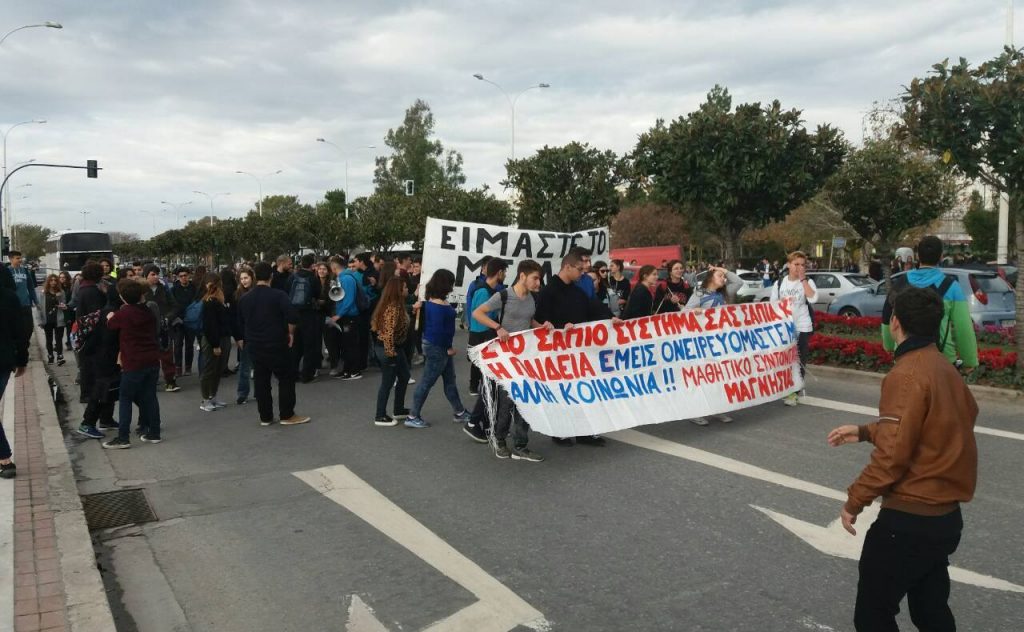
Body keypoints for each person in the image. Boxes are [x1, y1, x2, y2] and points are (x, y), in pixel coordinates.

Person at [827, 287, 978, 632]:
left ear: (894, 322)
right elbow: (928, 432)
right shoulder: (944, 368)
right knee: (930, 610)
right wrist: (866, 431)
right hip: (944, 520)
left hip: (909, 522)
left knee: (873, 615)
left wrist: (854, 501)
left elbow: (893, 456)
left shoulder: (906, 374)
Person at [534, 250, 615, 446]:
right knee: (562, 392)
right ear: (567, 267)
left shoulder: (577, 290)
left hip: (579, 351)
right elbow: (538, 323)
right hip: (557, 352)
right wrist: (558, 329)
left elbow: (593, 307)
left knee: (582, 391)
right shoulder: (548, 291)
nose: (583, 272)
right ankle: (559, 431)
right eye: (580, 269)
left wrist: (610, 318)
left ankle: (583, 432)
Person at [471, 259, 548, 462]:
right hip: (506, 359)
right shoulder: (504, 296)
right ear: (522, 276)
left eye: (539, 279)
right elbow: (477, 313)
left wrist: (541, 326)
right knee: (506, 403)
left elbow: (528, 320)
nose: (538, 283)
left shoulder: (532, 298)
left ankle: (521, 445)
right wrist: (497, 327)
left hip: (526, 358)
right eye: (535, 278)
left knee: (526, 401)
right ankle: (500, 440)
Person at [881, 236, 978, 372]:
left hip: (904, 357)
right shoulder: (952, 287)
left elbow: (887, 317)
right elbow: (964, 328)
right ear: (941, 257)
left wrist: (890, 346)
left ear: (917, 256)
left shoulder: (900, 284)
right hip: (941, 360)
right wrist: (969, 361)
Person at [237, 262, 309, 426]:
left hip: (254, 344)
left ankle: (265, 416)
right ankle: (287, 414)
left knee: (261, 381)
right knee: (285, 379)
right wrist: (290, 333)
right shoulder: (279, 295)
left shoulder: (245, 298)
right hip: (276, 342)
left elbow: (239, 322)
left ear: (255, 277)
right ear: (271, 276)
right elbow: (293, 317)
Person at [405, 269, 471, 429]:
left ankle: (459, 411)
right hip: (438, 347)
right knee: (428, 382)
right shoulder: (438, 306)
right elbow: (441, 331)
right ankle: (413, 415)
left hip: (435, 345)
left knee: (449, 381)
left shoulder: (430, 302)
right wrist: (448, 348)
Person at [103, 278, 163, 449]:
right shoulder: (148, 311)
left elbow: (111, 325)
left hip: (133, 361)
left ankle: (123, 437)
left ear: (122, 297)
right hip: (151, 359)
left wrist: (110, 316)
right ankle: (154, 432)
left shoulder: (124, 314)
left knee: (125, 397)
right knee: (150, 395)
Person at [685, 265, 745, 426]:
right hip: (702, 343)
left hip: (720, 342)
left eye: (724, 277)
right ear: (711, 278)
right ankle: (697, 411)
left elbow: (738, 281)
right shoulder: (699, 294)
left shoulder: (723, 293)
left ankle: (718, 408)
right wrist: (694, 311)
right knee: (703, 377)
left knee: (719, 376)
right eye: (720, 276)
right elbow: (684, 313)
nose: (724, 279)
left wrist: (723, 269)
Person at [75, 262, 121, 439]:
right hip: (101, 349)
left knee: (107, 386)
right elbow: (102, 324)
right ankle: (89, 422)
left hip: (96, 347)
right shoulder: (94, 294)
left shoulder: (84, 289)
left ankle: (105, 418)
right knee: (104, 385)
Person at [769, 252, 818, 407]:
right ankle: (785, 386)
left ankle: (794, 392)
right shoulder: (779, 283)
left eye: (803, 265)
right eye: (796, 264)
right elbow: (772, 304)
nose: (800, 267)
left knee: (799, 359)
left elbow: (813, 298)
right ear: (789, 264)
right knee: (784, 358)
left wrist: (803, 280)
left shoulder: (808, 282)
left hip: (802, 325)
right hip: (784, 326)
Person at [370, 277, 412, 426]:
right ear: (398, 291)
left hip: (395, 348)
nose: (407, 289)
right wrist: (391, 354)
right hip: (388, 349)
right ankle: (380, 415)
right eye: (405, 287)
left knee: (405, 376)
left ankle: (398, 409)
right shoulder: (392, 308)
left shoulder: (397, 306)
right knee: (387, 382)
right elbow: (387, 334)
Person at [0, 266, 30, 478]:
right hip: (4, 360)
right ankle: (5, 459)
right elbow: (21, 332)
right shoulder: (10, 297)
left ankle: (5, 458)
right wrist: (21, 360)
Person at [466, 258, 507, 396]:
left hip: (483, 333)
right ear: (499, 272)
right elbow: (478, 316)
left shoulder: (490, 289)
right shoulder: (483, 291)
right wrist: (496, 327)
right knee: (479, 364)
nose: (505, 275)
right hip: (480, 334)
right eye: (505, 272)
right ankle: (475, 387)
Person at [143, 265, 180, 392]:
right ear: (146, 275)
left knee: (167, 355)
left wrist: (168, 318)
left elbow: (174, 306)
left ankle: (170, 381)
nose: (156, 277)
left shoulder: (164, 289)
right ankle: (150, 382)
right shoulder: (141, 290)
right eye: (152, 274)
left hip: (164, 328)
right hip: (148, 329)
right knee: (149, 357)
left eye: (157, 274)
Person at [288, 254, 324, 383]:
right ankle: (306, 374)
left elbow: (288, 293)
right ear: (312, 265)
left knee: (295, 345)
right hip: (308, 314)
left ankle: (293, 372)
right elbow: (317, 293)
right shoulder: (313, 278)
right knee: (309, 345)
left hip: (293, 314)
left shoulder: (292, 277)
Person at [197, 272, 231, 412]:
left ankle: (213, 396)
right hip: (213, 340)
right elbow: (210, 326)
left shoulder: (218, 300)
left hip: (222, 337)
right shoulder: (210, 302)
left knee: (218, 369)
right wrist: (215, 345)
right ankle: (205, 399)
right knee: (209, 370)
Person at [331, 259, 364, 380]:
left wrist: (339, 314)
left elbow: (349, 300)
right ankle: (347, 369)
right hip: (345, 315)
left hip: (350, 315)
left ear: (334, 267)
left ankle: (354, 370)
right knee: (346, 344)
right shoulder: (342, 278)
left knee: (351, 344)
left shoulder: (346, 279)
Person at [6, 251, 38, 349]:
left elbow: (31, 287)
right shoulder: (7, 271)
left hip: (26, 305)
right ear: (11, 259)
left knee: (28, 329)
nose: (20, 260)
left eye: (20, 258)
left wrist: (36, 301)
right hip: (13, 307)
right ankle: (17, 349)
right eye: (17, 258)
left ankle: (24, 347)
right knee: (15, 330)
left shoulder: (25, 270)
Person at [232, 267, 254, 404]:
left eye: (246, 278)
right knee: (244, 367)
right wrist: (238, 337)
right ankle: (242, 393)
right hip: (245, 335)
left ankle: (260, 392)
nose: (244, 281)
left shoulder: (257, 292)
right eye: (241, 279)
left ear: (252, 277)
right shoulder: (237, 295)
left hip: (258, 333)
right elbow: (236, 319)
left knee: (260, 366)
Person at [170, 267, 197, 376]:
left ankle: (188, 367)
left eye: (185, 275)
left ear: (189, 276)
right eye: (181, 276)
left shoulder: (194, 288)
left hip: (190, 320)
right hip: (178, 321)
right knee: (177, 345)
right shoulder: (174, 289)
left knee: (189, 345)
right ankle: (178, 368)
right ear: (178, 277)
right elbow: (172, 304)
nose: (183, 278)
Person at [41, 274, 68, 366]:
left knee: (59, 339)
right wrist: (40, 320)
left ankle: (60, 356)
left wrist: (60, 299)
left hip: (58, 318)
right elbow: (40, 307)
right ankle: (50, 356)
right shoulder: (43, 293)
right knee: (49, 339)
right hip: (47, 319)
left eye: (55, 280)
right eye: (51, 280)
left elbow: (63, 304)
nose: (53, 282)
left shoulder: (61, 292)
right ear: (48, 281)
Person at [59, 270, 75, 351]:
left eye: (63, 277)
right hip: (60, 309)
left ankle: (69, 343)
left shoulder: (71, 287)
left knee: (69, 327)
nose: (62, 279)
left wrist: (68, 306)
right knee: (60, 327)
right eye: (60, 277)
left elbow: (73, 298)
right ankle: (58, 344)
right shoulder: (58, 287)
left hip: (69, 309)